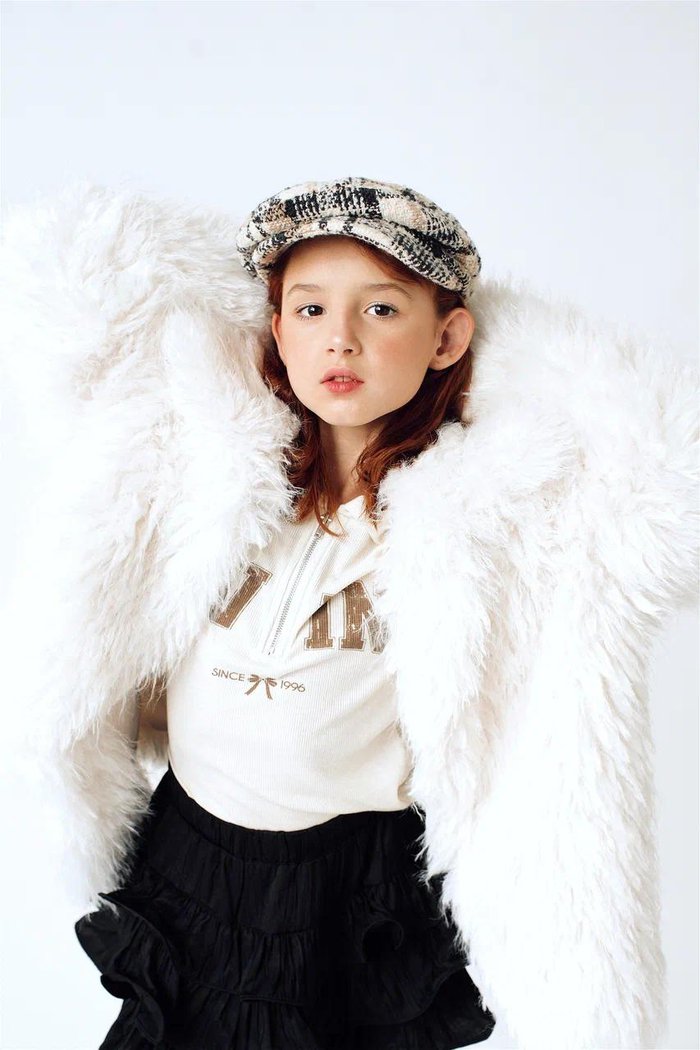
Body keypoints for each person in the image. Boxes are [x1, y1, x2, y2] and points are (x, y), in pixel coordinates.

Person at [0, 175, 697, 1050]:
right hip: (195, 856)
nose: (341, 338)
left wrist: (509, 341)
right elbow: (66, 277)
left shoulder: (490, 519)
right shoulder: (209, 467)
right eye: (310, 308)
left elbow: (672, 477)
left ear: (448, 337)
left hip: (350, 890)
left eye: (381, 309)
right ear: (274, 327)